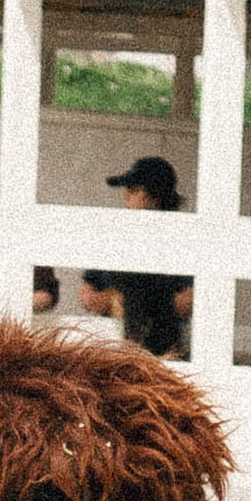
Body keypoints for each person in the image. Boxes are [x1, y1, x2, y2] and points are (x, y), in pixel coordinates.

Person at [79, 149, 194, 355]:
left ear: (155, 197)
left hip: (163, 346)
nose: (125, 196)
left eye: (133, 190)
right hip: (110, 343)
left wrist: (133, 306)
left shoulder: (181, 240)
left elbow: (188, 300)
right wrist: (117, 303)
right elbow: (88, 295)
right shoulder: (114, 238)